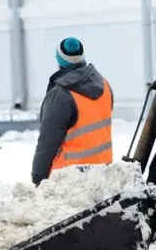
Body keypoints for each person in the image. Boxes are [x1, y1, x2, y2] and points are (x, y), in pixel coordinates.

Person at [32, 37, 113, 186]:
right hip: (103, 174)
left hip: (69, 178)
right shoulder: (104, 84)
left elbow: (47, 141)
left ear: (59, 60)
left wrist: (38, 176)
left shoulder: (60, 94)